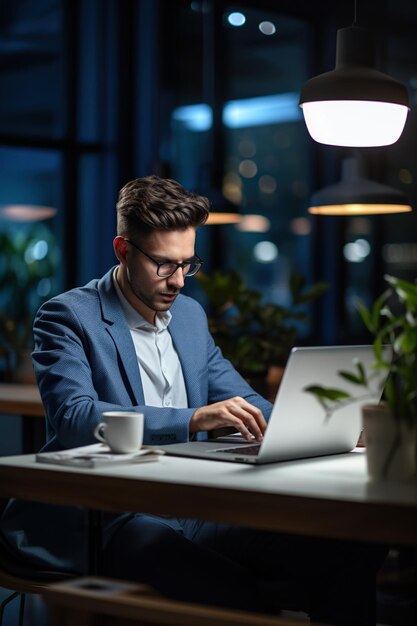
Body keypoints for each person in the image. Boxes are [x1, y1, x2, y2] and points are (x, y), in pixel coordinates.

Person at [1, 176, 386, 624]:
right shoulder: (67, 316)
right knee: (234, 592)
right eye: (164, 265)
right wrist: (193, 418)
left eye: (188, 263)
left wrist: (317, 426)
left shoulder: (188, 315)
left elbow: (239, 396)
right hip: (110, 516)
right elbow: (74, 417)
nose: (179, 281)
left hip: (192, 505)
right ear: (123, 251)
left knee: (353, 544)